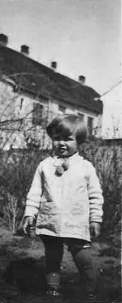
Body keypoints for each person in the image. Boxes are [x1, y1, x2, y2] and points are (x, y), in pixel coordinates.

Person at [23, 114, 104, 300]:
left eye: (68, 139)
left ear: (79, 141)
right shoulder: (44, 166)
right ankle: (52, 289)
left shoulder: (85, 167)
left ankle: (91, 290)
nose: (61, 143)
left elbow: (95, 195)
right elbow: (35, 192)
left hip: (76, 221)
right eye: (57, 138)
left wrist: (95, 219)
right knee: (52, 257)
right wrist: (30, 214)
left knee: (82, 256)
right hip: (50, 219)